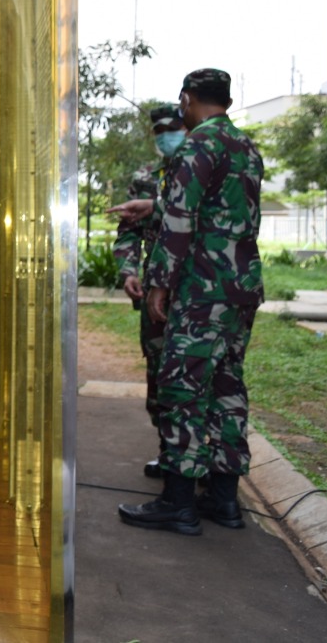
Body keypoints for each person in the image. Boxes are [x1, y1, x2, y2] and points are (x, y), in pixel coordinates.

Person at [117, 69, 263, 535]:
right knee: (226, 389)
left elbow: (182, 219)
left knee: (181, 388)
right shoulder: (245, 146)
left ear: (187, 99)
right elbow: (224, 209)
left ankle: (178, 503)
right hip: (239, 290)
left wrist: (159, 284)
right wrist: (152, 208)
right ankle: (224, 500)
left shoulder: (198, 144)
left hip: (201, 291)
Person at [110, 103, 186, 479]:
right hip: (154, 291)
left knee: (194, 374)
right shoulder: (145, 176)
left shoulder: (197, 169)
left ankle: (197, 460)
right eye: (158, 131)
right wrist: (128, 272)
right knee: (157, 373)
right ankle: (168, 452)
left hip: (192, 291)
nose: (165, 135)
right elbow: (128, 232)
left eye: (171, 127)